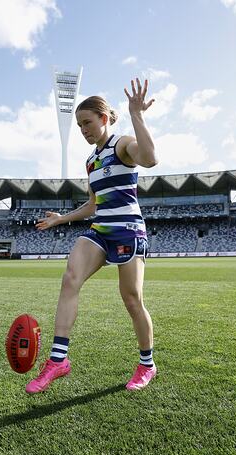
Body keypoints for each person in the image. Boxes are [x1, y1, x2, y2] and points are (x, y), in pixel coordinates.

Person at [26, 78, 158, 394]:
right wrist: (62, 219)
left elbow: (150, 159)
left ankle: (147, 364)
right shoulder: (91, 161)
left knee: (131, 299)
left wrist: (137, 115)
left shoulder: (123, 144)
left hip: (128, 230)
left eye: (87, 123)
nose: (83, 129)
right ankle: (59, 360)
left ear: (103, 119)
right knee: (71, 278)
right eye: (79, 125)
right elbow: (92, 204)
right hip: (100, 231)